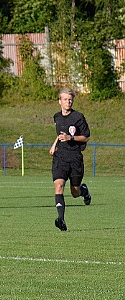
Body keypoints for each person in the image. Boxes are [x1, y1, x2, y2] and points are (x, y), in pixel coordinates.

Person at [49, 87, 91, 231]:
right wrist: (54, 145)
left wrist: (70, 138)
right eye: (66, 99)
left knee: (74, 192)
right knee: (59, 185)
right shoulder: (57, 117)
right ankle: (61, 219)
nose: (69, 102)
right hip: (60, 158)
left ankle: (83, 191)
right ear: (59, 101)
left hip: (75, 158)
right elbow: (60, 133)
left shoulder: (78, 117)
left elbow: (85, 137)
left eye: (70, 99)